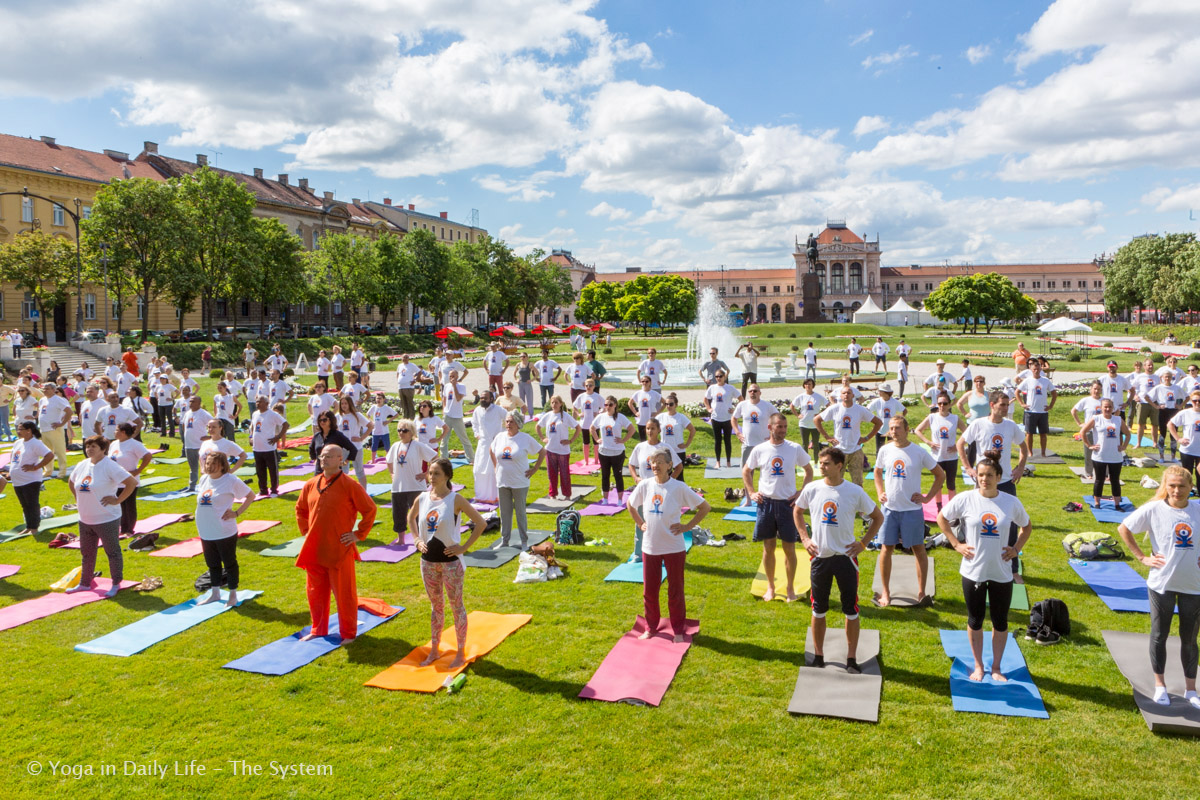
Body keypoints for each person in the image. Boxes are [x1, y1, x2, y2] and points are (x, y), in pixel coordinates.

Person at [936, 450, 1033, 682]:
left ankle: (997, 667)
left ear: (998, 477)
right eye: (980, 475)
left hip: (1001, 572)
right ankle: (978, 666)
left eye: (989, 474)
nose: (984, 479)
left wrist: (1016, 549)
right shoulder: (966, 499)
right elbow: (942, 518)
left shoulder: (1010, 502)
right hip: (973, 571)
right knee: (975, 620)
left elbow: (1027, 526)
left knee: (1000, 621)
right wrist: (956, 544)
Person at [1117, 465, 1200, 709]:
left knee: (1190, 639)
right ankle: (1160, 685)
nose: (1176, 490)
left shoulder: (1197, 509)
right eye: (1172, 486)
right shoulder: (1154, 509)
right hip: (1161, 584)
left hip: (1194, 585)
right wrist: (1142, 557)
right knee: (1159, 635)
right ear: (1165, 486)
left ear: (1190, 487)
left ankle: (1191, 689)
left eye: (1182, 486)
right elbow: (1124, 528)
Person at [794, 447, 884, 671]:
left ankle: (851, 658)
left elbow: (877, 517)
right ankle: (818, 655)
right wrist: (805, 539)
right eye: (820, 463)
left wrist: (862, 544)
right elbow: (797, 511)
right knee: (818, 609)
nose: (821, 467)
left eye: (825, 463)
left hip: (846, 558)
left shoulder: (853, 491)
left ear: (839, 466)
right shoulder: (812, 488)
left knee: (851, 610)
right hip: (820, 558)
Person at [408, 458, 487, 666]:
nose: (431, 477)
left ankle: (460, 652)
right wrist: (416, 539)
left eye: (436, 474)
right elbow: (411, 518)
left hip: (451, 563)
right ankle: (435, 650)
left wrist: (463, 547)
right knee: (436, 607)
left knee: (456, 606)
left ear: (447, 476)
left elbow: (480, 523)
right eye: (430, 473)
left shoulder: (456, 499)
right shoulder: (423, 498)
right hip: (428, 563)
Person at [295, 445, 378, 642]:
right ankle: (318, 629)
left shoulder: (350, 485)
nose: (324, 459)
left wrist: (358, 534)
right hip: (315, 549)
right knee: (315, 592)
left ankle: (348, 634)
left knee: (344, 594)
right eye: (322, 455)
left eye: (329, 456)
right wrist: (307, 532)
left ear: (341, 460)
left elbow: (370, 509)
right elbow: (300, 509)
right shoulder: (311, 484)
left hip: (339, 549)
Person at [627, 448, 710, 643]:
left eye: (659, 462)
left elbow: (705, 507)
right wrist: (640, 523)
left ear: (669, 465)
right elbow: (631, 505)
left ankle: (678, 630)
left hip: (673, 547)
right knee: (650, 592)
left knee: (675, 591)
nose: (654, 465)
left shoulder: (678, 487)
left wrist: (687, 526)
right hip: (650, 547)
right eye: (652, 462)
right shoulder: (645, 485)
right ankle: (651, 627)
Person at [957, 390, 1030, 578]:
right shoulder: (978, 424)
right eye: (1002, 405)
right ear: (992, 405)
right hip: (983, 482)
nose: (1006, 408)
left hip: (1005, 481)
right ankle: (976, 560)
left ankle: (1012, 566)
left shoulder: (1011, 426)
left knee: (1011, 524)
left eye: (1007, 405)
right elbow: (960, 444)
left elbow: (1024, 447)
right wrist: (968, 468)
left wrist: (1020, 467)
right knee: (977, 520)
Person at [741, 413, 814, 601]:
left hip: (787, 504)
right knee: (768, 547)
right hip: (765, 503)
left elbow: (809, 470)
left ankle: (790, 588)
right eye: (778, 426)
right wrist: (751, 492)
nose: (782, 430)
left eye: (784, 426)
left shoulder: (794, 448)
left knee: (789, 548)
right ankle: (771, 587)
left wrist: (801, 492)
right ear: (770, 427)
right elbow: (746, 471)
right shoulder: (760, 449)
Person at [873, 416, 945, 607]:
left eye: (897, 428)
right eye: (891, 428)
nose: (894, 432)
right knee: (886, 549)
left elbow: (940, 474)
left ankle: (921, 592)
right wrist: (880, 492)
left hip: (912, 510)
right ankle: (886, 593)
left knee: (918, 549)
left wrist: (928, 497)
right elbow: (877, 472)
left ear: (907, 429)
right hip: (889, 509)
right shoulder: (885, 450)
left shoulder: (918, 452)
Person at [66, 435, 139, 598]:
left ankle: (115, 583)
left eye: (94, 446)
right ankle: (84, 583)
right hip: (85, 518)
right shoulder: (82, 464)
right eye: (88, 446)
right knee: (87, 553)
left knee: (112, 552)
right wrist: (78, 498)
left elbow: (132, 482)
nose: (89, 449)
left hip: (106, 518)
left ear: (103, 449)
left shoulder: (110, 466)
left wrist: (118, 500)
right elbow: (72, 482)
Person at [194, 451, 256, 607]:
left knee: (229, 563)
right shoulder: (204, 479)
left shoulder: (230, 480)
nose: (209, 466)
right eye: (207, 463)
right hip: (206, 530)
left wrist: (236, 513)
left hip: (224, 531)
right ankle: (215, 593)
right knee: (212, 564)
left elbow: (251, 496)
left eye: (213, 463)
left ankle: (233, 595)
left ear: (222, 465)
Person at [490, 412, 545, 549]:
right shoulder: (499, 437)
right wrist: (496, 466)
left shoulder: (525, 438)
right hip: (502, 481)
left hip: (520, 482)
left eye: (511, 422)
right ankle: (505, 540)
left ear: (518, 424)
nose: (508, 424)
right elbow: (491, 450)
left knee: (520, 512)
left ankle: (524, 541)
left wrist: (534, 469)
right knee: (504, 512)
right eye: (507, 421)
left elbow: (542, 451)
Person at [815, 387, 882, 486]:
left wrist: (867, 438)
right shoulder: (835, 408)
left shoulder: (860, 410)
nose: (846, 395)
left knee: (858, 482)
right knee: (835, 481)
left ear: (853, 395)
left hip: (855, 450)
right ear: (840, 396)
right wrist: (827, 437)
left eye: (849, 393)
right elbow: (817, 419)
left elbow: (878, 422)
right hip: (839, 450)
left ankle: (857, 501)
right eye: (844, 393)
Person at [386, 418, 437, 545]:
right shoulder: (395, 446)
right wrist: (392, 473)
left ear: (411, 432)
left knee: (420, 515)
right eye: (399, 430)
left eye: (404, 430)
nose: (401, 433)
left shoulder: (418, 445)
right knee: (398, 514)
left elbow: (435, 458)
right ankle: (401, 539)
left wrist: (427, 474)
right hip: (398, 486)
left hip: (416, 486)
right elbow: (389, 461)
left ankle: (423, 539)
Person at [915, 391, 967, 508]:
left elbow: (968, 433)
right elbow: (918, 430)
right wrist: (928, 442)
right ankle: (939, 507)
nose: (942, 406)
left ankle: (952, 508)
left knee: (951, 484)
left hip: (951, 457)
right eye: (939, 404)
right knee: (938, 484)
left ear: (949, 404)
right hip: (936, 457)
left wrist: (958, 445)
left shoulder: (955, 418)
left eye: (944, 403)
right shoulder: (932, 417)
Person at [1080, 398, 1131, 509]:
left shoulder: (1118, 419)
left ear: (1113, 408)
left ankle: (1117, 504)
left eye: (1109, 407)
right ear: (1101, 408)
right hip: (1100, 456)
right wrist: (1089, 446)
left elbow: (1128, 434)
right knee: (1099, 480)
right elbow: (1083, 432)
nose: (1107, 409)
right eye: (1105, 407)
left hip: (1115, 456)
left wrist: (1124, 446)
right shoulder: (1096, 419)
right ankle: (1097, 503)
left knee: (1115, 480)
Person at [108, 423, 153, 539]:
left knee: (129, 506)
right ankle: (121, 528)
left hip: (129, 481)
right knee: (119, 505)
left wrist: (138, 470)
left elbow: (147, 456)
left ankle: (129, 529)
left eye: (116, 430)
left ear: (123, 432)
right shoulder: (114, 444)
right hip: (115, 481)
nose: (114, 432)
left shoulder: (134, 444)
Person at [8, 421, 52, 537]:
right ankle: (28, 526)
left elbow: (49, 455)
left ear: (29, 431)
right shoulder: (18, 443)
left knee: (32, 504)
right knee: (24, 505)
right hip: (17, 480)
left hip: (30, 480)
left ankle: (34, 527)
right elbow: (13, 458)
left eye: (21, 429)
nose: (18, 431)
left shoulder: (36, 443)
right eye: (18, 429)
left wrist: (36, 467)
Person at [536, 394, 579, 500]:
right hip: (550, 449)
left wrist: (570, 440)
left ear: (561, 404)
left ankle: (567, 494)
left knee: (564, 473)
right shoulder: (548, 415)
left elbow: (578, 427)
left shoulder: (565, 416)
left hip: (563, 450)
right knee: (551, 473)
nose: (554, 404)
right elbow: (538, 426)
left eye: (556, 402)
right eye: (552, 402)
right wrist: (542, 438)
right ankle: (553, 494)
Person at [592, 396, 635, 500]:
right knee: (605, 475)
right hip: (604, 451)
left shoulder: (620, 417)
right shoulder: (601, 417)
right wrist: (597, 439)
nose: (608, 407)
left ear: (615, 405)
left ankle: (620, 499)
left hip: (617, 452)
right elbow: (592, 428)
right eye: (606, 405)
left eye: (610, 404)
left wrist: (623, 440)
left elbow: (632, 429)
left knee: (618, 475)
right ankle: (605, 499)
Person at [471, 390, 507, 503]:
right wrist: (476, 434)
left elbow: (509, 419)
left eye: (485, 398)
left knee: (492, 471)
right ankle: (481, 495)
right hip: (482, 444)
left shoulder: (498, 409)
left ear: (491, 399)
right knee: (478, 469)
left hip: (495, 443)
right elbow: (474, 423)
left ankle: (493, 496)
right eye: (481, 398)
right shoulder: (477, 410)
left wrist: (503, 433)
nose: (482, 400)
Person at [1016, 359, 1057, 458]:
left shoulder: (1045, 380)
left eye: (1038, 368)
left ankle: (1043, 453)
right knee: (1029, 433)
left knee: (1043, 434)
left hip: (1043, 411)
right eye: (1034, 369)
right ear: (1031, 369)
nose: (1036, 370)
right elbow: (1017, 392)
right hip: (1030, 411)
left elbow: (1054, 393)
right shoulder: (1027, 380)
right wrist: (1022, 403)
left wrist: (1051, 405)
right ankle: (1030, 452)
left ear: (1040, 369)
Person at [250, 396, 288, 496]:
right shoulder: (255, 414)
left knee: (272, 470)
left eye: (260, 402)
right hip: (257, 447)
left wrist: (278, 437)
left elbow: (285, 424)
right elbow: (253, 426)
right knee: (260, 470)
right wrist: (251, 437)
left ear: (267, 403)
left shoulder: (272, 414)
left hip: (269, 447)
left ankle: (274, 490)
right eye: (257, 402)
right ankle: (263, 489)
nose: (258, 404)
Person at [703, 370, 740, 468]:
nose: (718, 378)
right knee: (717, 441)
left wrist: (735, 409)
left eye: (720, 376)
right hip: (716, 418)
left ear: (724, 376)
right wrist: (709, 408)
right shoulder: (712, 388)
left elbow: (741, 398)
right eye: (717, 376)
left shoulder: (730, 388)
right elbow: (705, 399)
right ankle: (718, 461)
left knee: (727, 440)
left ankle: (728, 462)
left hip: (727, 418)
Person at [732, 383, 774, 466]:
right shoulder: (742, 405)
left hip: (764, 443)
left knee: (767, 469)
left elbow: (778, 419)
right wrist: (737, 432)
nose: (752, 392)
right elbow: (734, 418)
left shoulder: (767, 406)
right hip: (747, 443)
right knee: (746, 470)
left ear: (759, 393)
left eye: (755, 391)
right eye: (750, 391)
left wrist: (773, 435)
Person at [1071, 380, 1105, 480]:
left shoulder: (1104, 400)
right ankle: (1089, 473)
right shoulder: (1086, 400)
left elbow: (1116, 411)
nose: (1096, 391)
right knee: (1089, 451)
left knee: (1103, 451)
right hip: (1089, 430)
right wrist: (1080, 424)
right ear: (1091, 389)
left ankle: (1105, 474)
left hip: (1101, 431)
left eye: (1099, 389)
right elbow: (1073, 411)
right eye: (1095, 389)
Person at [180, 395, 214, 491]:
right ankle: (192, 486)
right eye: (190, 401)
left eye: (193, 401)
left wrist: (209, 437)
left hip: (201, 445)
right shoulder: (187, 413)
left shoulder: (204, 414)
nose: (190, 403)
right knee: (193, 468)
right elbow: (184, 426)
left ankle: (209, 485)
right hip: (189, 445)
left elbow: (216, 424)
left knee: (206, 467)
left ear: (199, 403)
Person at [37, 383, 71, 478]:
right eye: (44, 389)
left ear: (53, 390)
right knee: (46, 452)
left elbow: (69, 411)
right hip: (44, 429)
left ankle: (62, 472)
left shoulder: (58, 400)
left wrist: (62, 423)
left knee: (59, 451)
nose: (45, 390)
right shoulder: (42, 400)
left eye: (47, 389)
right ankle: (48, 471)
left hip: (54, 429)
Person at [656, 392, 694, 476]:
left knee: (679, 476)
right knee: (665, 476)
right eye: (666, 404)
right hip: (665, 451)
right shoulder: (660, 417)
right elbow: (652, 429)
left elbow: (692, 430)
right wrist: (656, 442)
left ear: (676, 405)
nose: (668, 406)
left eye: (671, 404)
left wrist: (687, 444)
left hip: (678, 450)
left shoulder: (681, 417)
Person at [1149, 371, 1183, 462]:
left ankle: (1173, 456)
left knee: (1173, 434)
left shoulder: (1176, 387)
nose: (1167, 378)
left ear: (1172, 377)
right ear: (1162, 378)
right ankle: (1161, 457)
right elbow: (1147, 397)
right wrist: (1156, 406)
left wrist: (1180, 405)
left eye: (1169, 376)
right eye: (1165, 377)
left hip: (1173, 411)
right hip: (1163, 411)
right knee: (1162, 434)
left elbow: (1187, 396)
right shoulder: (1159, 387)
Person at [791, 378, 827, 463]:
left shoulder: (818, 396)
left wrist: (820, 415)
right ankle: (805, 462)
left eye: (810, 384)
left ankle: (816, 462)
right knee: (805, 444)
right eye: (806, 384)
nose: (808, 386)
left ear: (813, 386)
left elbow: (828, 405)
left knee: (816, 444)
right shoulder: (801, 396)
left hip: (815, 424)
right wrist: (797, 415)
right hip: (804, 424)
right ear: (804, 386)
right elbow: (792, 406)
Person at [440, 370, 472, 464]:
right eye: (450, 376)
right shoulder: (446, 386)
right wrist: (444, 410)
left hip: (457, 416)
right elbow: (444, 398)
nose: (451, 378)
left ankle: (471, 458)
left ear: (457, 376)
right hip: (447, 416)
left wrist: (454, 386)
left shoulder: (461, 386)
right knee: (444, 439)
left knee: (464, 438)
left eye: (453, 376)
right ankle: (443, 458)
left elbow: (458, 398)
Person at [1168, 391, 1200, 486]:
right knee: (1186, 475)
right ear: (1191, 401)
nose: (1197, 403)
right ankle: (1186, 497)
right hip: (1188, 449)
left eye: (1199, 401)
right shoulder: (1185, 413)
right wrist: (1178, 439)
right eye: (1195, 401)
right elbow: (1170, 424)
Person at [336, 395, 370, 486]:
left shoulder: (357, 415)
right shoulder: (338, 416)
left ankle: (363, 492)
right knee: (343, 470)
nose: (344, 405)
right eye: (342, 403)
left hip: (356, 447)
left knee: (359, 470)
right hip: (343, 448)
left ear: (350, 404)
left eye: (346, 403)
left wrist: (362, 438)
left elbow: (370, 425)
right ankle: (344, 490)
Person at [573, 378, 603, 466]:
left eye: (590, 385)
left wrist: (599, 413)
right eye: (587, 385)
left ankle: (596, 460)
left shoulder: (597, 396)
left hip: (595, 424)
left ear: (594, 386)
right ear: (584, 386)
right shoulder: (581, 396)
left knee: (596, 442)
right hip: (584, 423)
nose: (588, 387)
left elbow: (605, 406)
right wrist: (578, 414)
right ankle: (586, 461)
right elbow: (575, 406)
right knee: (586, 442)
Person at [867, 384, 905, 453]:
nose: (879, 392)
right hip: (880, 430)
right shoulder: (877, 401)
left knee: (893, 450)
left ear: (885, 392)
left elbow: (904, 410)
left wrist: (899, 420)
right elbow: (867, 410)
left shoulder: (894, 402)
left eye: (880, 391)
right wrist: (874, 420)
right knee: (879, 450)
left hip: (892, 430)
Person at [1132, 357, 1159, 450]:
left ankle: (1155, 443)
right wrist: (1135, 396)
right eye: (1149, 365)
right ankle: (1138, 443)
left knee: (1155, 424)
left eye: (1152, 365)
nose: (1150, 367)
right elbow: (1132, 388)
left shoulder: (1157, 377)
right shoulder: (1140, 377)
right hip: (1142, 403)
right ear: (1144, 366)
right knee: (1141, 424)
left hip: (1154, 403)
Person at [628, 375, 663, 442]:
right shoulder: (638, 393)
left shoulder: (654, 393)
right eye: (642, 381)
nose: (644, 383)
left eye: (646, 381)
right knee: (642, 440)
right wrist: (635, 412)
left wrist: (657, 412)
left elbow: (665, 403)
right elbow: (630, 403)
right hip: (641, 420)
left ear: (650, 382)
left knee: (653, 439)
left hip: (651, 420)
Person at [395, 354, 421, 419]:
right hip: (401, 387)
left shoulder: (411, 365)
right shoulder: (400, 365)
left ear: (408, 359)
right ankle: (405, 416)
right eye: (404, 357)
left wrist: (415, 380)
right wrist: (399, 380)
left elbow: (419, 372)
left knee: (409, 402)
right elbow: (398, 374)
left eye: (406, 357)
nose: (405, 359)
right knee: (403, 402)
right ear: (401, 358)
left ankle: (412, 416)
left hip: (409, 387)